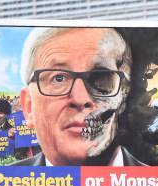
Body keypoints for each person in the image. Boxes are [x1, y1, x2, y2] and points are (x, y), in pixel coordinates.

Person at [15, 27, 144, 166]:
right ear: (28, 107)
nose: (80, 99)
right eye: (58, 78)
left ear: (125, 96)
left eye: (101, 77)